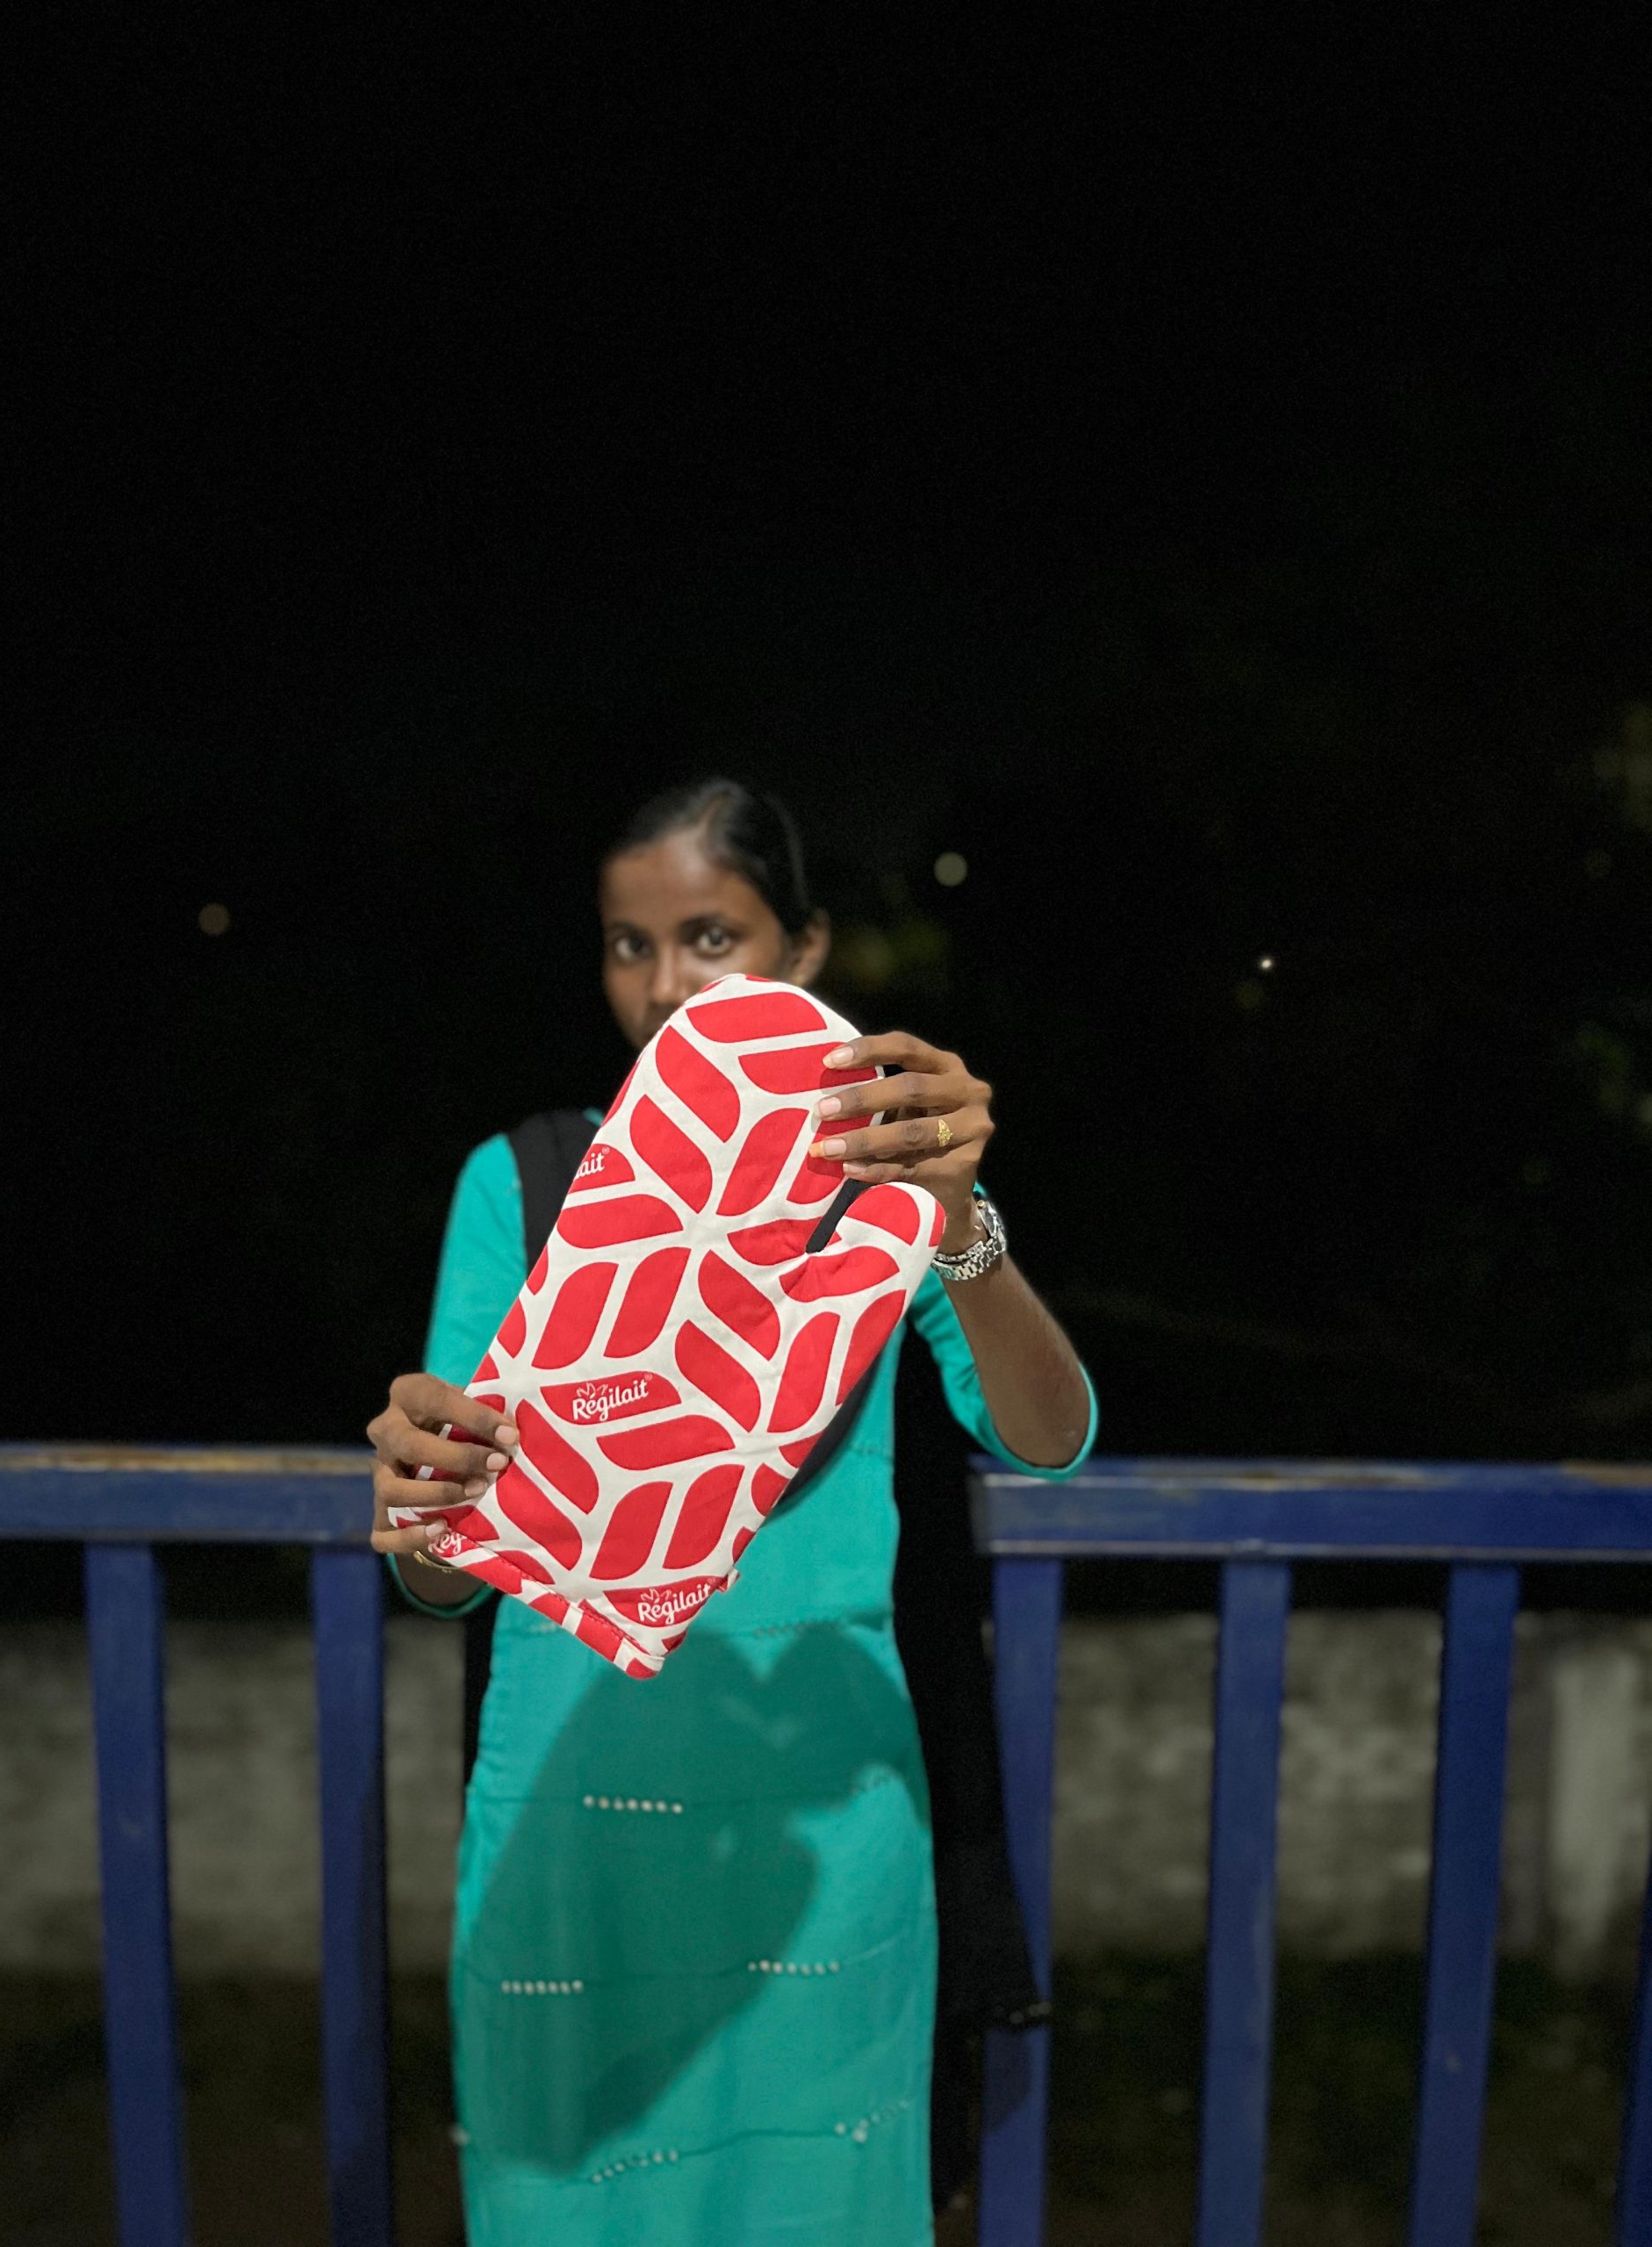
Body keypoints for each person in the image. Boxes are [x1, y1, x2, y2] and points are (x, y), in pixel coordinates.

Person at [367, 779, 1095, 2246]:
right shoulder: (524, 1181)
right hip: (577, 1807)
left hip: (824, 1819)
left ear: (804, 950)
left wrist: (961, 1220)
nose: (664, 985)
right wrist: (423, 1512)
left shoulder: (877, 1177)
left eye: (712, 937)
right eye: (628, 945)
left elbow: (1051, 1438)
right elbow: (448, 1579)